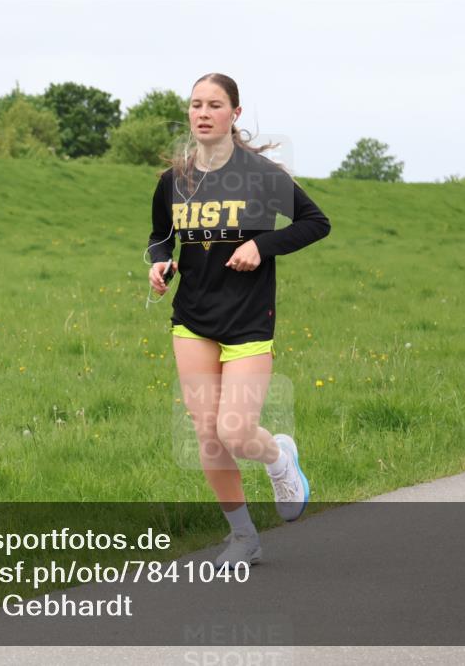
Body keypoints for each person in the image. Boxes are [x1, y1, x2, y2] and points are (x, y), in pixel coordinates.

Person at [145, 73, 331, 569]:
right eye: (195, 105)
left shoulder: (262, 176)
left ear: (235, 115)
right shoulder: (174, 181)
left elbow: (316, 223)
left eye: (214, 105)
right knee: (207, 433)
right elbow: (161, 236)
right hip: (193, 319)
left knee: (235, 430)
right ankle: (244, 537)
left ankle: (277, 457)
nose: (203, 113)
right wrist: (160, 263)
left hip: (249, 319)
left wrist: (260, 244)